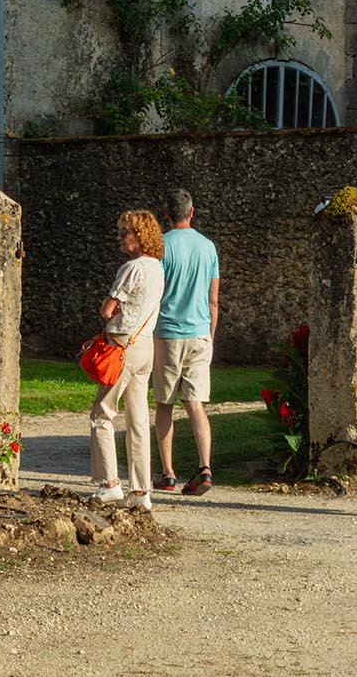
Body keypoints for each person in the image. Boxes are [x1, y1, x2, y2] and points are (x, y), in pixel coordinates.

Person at [89, 208, 164, 510]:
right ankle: (141, 490)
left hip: (122, 345)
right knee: (138, 418)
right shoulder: (157, 268)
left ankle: (109, 484)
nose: (119, 238)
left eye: (125, 233)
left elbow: (107, 310)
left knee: (102, 413)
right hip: (144, 345)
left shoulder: (131, 268)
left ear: (140, 236)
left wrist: (109, 308)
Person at [152, 188, 220, 495]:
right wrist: (210, 337)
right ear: (192, 212)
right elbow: (213, 300)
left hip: (168, 333)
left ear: (166, 213)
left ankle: (168, 473)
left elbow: (154, 292)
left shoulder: (161, 246)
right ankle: (205, 468)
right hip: (200, 332)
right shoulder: (208, 247)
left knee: (165, 404)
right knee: (196, 404)